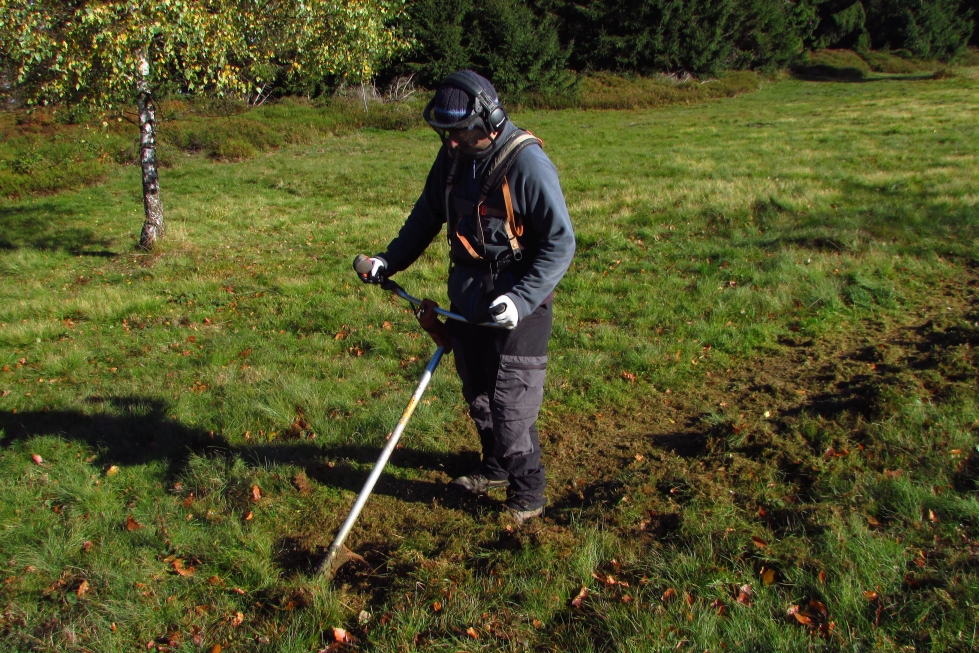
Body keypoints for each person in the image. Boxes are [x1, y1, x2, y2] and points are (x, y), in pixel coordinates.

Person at [356, 70, 575, 524]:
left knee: (512, 407)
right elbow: (426, 216)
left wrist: (521, 298)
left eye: (459, 133)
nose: (450, 143)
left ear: (490, 120)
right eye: (444, 133)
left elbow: (560, 242)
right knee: (479, 395)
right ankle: (495, 467)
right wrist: (388, 261)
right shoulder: (453, 159)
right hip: (469, 301)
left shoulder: (527, 164)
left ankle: (528, 495)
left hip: (520, 308)